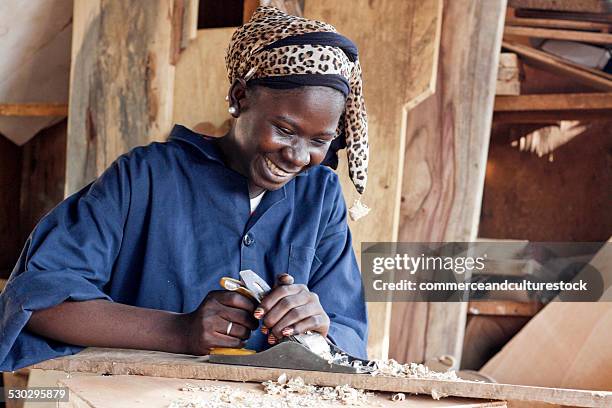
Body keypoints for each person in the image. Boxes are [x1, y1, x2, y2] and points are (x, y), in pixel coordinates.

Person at [0, 6, 370, 371]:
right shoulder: (145, 177)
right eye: (285, 130)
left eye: (319, 140)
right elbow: (39, 301)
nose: (298, 156)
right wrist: (179, 330)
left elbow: (348, 334)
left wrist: (316, 326)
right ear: (239, 98)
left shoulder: (320, 197)